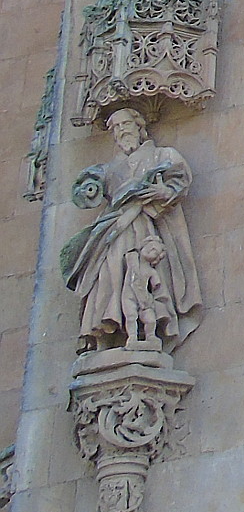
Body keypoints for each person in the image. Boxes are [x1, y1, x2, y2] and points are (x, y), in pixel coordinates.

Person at [61, 108, 202, 354]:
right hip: (114, 231)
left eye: (126, 124)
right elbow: (85, 190)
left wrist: (163, 192)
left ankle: (145, 332)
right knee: (107, 279)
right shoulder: (109, 169)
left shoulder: (162, 156)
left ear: (139, 127)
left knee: (141, 278)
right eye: (116, 127)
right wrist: (89, 189)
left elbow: (179, 182)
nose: (122, 130)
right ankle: (102, 331)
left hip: (143, 229)